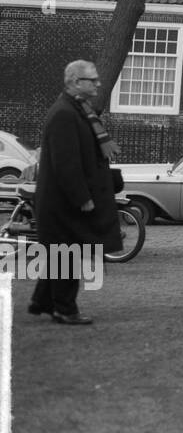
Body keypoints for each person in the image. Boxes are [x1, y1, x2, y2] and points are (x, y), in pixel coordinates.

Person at [29, 60, 122, 325]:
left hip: (63, 201)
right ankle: (65, 310)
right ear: (74, 82)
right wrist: (83, 198)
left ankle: (42, 301)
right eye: (91, 79)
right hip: (63, 203)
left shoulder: (78, 110)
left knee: (64, 252)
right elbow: (66, 164)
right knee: (68, 254)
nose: (98, 83)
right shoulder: (64, 114)